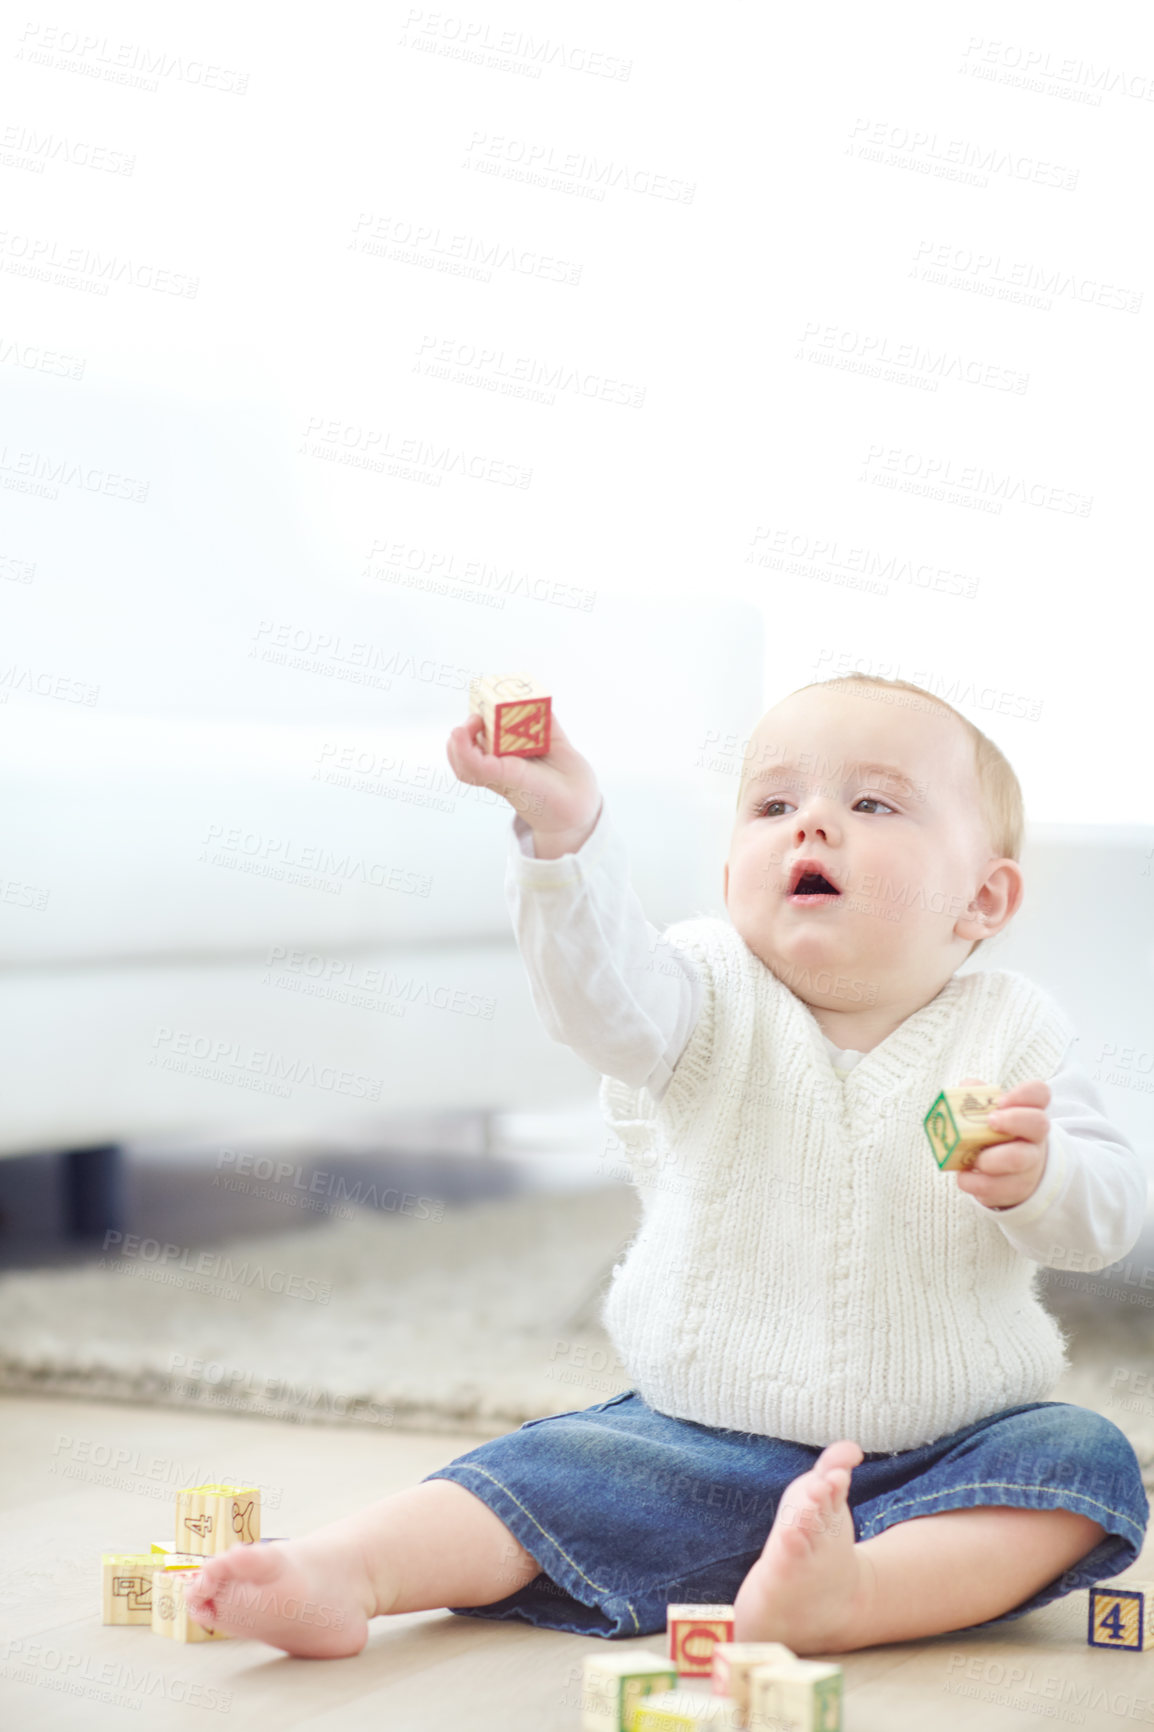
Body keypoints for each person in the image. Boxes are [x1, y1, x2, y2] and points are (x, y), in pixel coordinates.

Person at [184, 673, 1149, 1658]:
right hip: (691, 1440)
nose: (809, 825)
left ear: (981, 896)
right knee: (547, 1467)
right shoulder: (700, 994)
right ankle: (345, 1570)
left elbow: (1105, 1219)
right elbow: (594, 996)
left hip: (942, 1455)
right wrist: (564, 843)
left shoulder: (1011, 1030)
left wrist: (1043, 1178)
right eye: (773, 805)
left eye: (870, 802)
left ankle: (851, 1592)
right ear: (731, 869)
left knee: (1079, 1461)